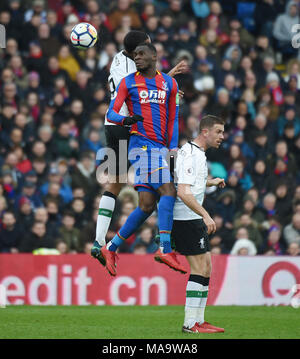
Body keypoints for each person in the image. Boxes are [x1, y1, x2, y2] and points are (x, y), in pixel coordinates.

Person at [94, 42, 186, 276]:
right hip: (140, 145)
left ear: (155, 56)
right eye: (135, 55)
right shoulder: (128, 82)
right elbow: (111, 113)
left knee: (146, 206)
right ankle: (165, 248)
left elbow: (174, 119)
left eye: (142, 54)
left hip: (159, 147)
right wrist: (125, 121)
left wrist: (173, 147)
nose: (137, 58)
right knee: (168, 190)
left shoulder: (169, 83)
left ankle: (111, 248)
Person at [171, 114, 225, 333]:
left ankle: (199, 320)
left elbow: (189, 181)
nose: (222, 136)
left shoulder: (197, 153)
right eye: (219, 131)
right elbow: (183, 191)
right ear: (205, 132)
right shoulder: (191, 154)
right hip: (186, 217)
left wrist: (210, 181)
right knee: (199, 268)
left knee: (207, 267)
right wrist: (206, 214)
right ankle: (189, 323)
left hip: (192, 216)